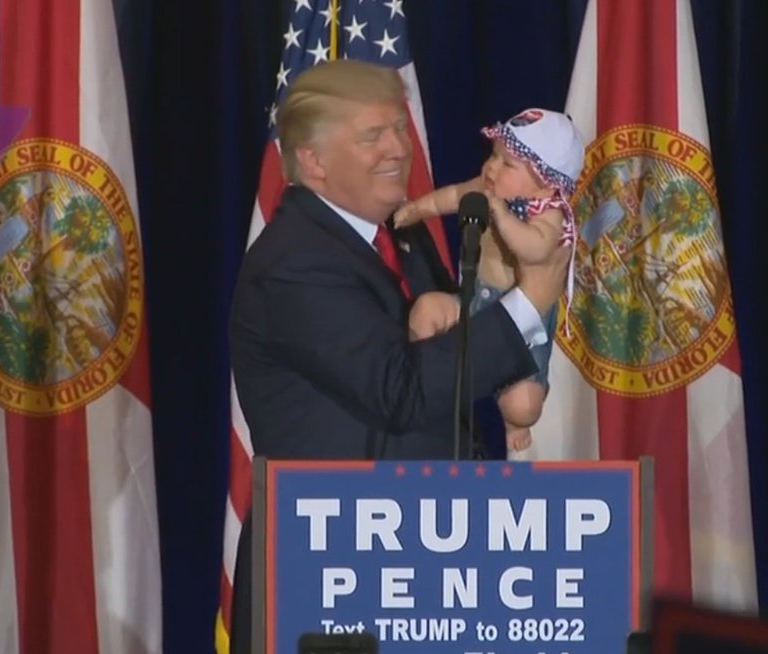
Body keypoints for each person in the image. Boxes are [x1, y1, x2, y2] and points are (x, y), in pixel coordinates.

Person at [227, 60, 571, 652]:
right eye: (372, 136)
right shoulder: (293, 264)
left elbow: (456, 374)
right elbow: (402, 391)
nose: (398, 149)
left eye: (400, 130)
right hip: (332, 589)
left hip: (420, 580)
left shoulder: (399, 238)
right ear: (313, 162)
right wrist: (531, 298)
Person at [394, 107, 585, 459]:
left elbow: (534, 249)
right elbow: (451, 196)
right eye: (494, 156)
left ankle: (515, 422)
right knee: (426, 311)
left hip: (521, 326)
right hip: (474, 301)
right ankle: (426, 381)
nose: (491, 168)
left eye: (507, 164)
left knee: (524, 407)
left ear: (546, 180)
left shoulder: (550, 216)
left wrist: (498, 213)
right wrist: (419, 209)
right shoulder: (488, 188)